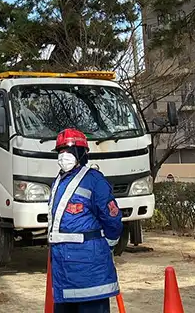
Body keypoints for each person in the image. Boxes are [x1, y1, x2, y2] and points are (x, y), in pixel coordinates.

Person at [48, 128, 123, 312]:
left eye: (67, 150)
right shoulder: (58, 181)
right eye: (60, 151)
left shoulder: (94, 181)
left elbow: (112, 219)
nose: (63, 156)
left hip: (90, 270)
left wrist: (108, 246)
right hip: (64, 272)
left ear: (80, 153)